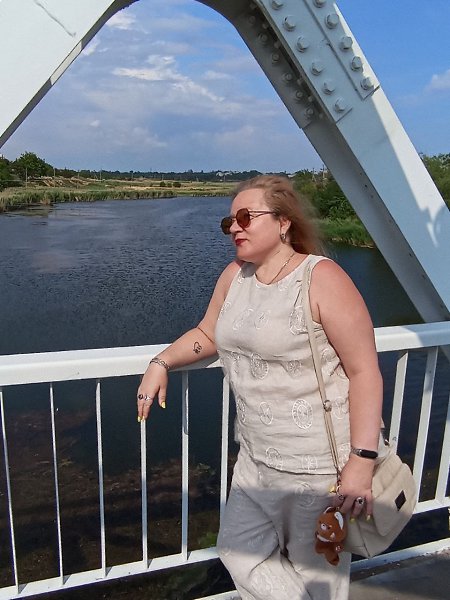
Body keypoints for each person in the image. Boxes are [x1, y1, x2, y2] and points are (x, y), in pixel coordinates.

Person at [137, 175, 383, 600]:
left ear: (284, 222)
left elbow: (364, 372)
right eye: (229, 221)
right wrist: (161, 362)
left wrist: (361, 463)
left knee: (318, 576)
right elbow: (208, 333)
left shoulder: (321, 278)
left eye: (246, 217)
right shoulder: (235, 275)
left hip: (316, 468)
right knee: (238, 550)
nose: (235, 227)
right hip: (255, 458)